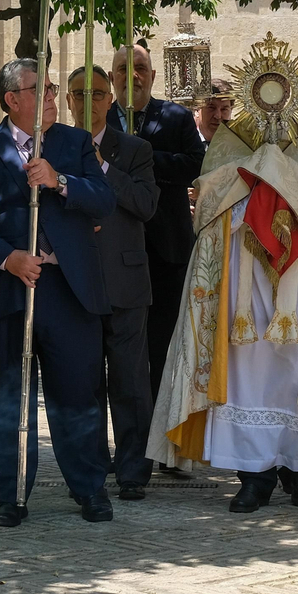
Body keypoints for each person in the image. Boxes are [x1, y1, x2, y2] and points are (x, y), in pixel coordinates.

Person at [149, 34, 298, 512]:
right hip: (243, 285)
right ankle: (253, 475)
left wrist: (284, 179)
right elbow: (208, 203)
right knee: (246, 376)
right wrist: (254, 177)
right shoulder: (231, 143)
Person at [0, 59, 118, 526]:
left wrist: (60, 181)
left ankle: (90, 488)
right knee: (9, 399)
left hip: (66, 291)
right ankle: (12, 494)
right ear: (11, 99)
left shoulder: (75, 143)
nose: (51, 98)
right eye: (38, 89)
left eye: (53, 88)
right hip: (5, 291)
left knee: (78, 395)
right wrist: (7, 257)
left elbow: (104, 200)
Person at [108, 44, 206, 475]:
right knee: (122, 355)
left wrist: (140, 156)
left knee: (164, 351)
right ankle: (127, 447)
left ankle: (166, 446)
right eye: (123, 68)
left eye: (141, 67)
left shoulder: (177, 118)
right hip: (114, 251)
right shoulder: (101, 119)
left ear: (153, 75)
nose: (133, 75)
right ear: (112, 78)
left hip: (167, 251)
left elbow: (194, 165)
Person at [68, 64, 160, 499]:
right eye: (79, 94)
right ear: (68, 101)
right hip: (75, 282)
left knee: (129, 381)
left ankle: (133, 471)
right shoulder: (53, 146)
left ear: (111, 100)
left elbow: (145, 204)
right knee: (83, 382)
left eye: (98, 94)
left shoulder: (136, 149)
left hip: (125, 281)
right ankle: (88, 469)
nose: (89, 102)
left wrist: (103, 166)